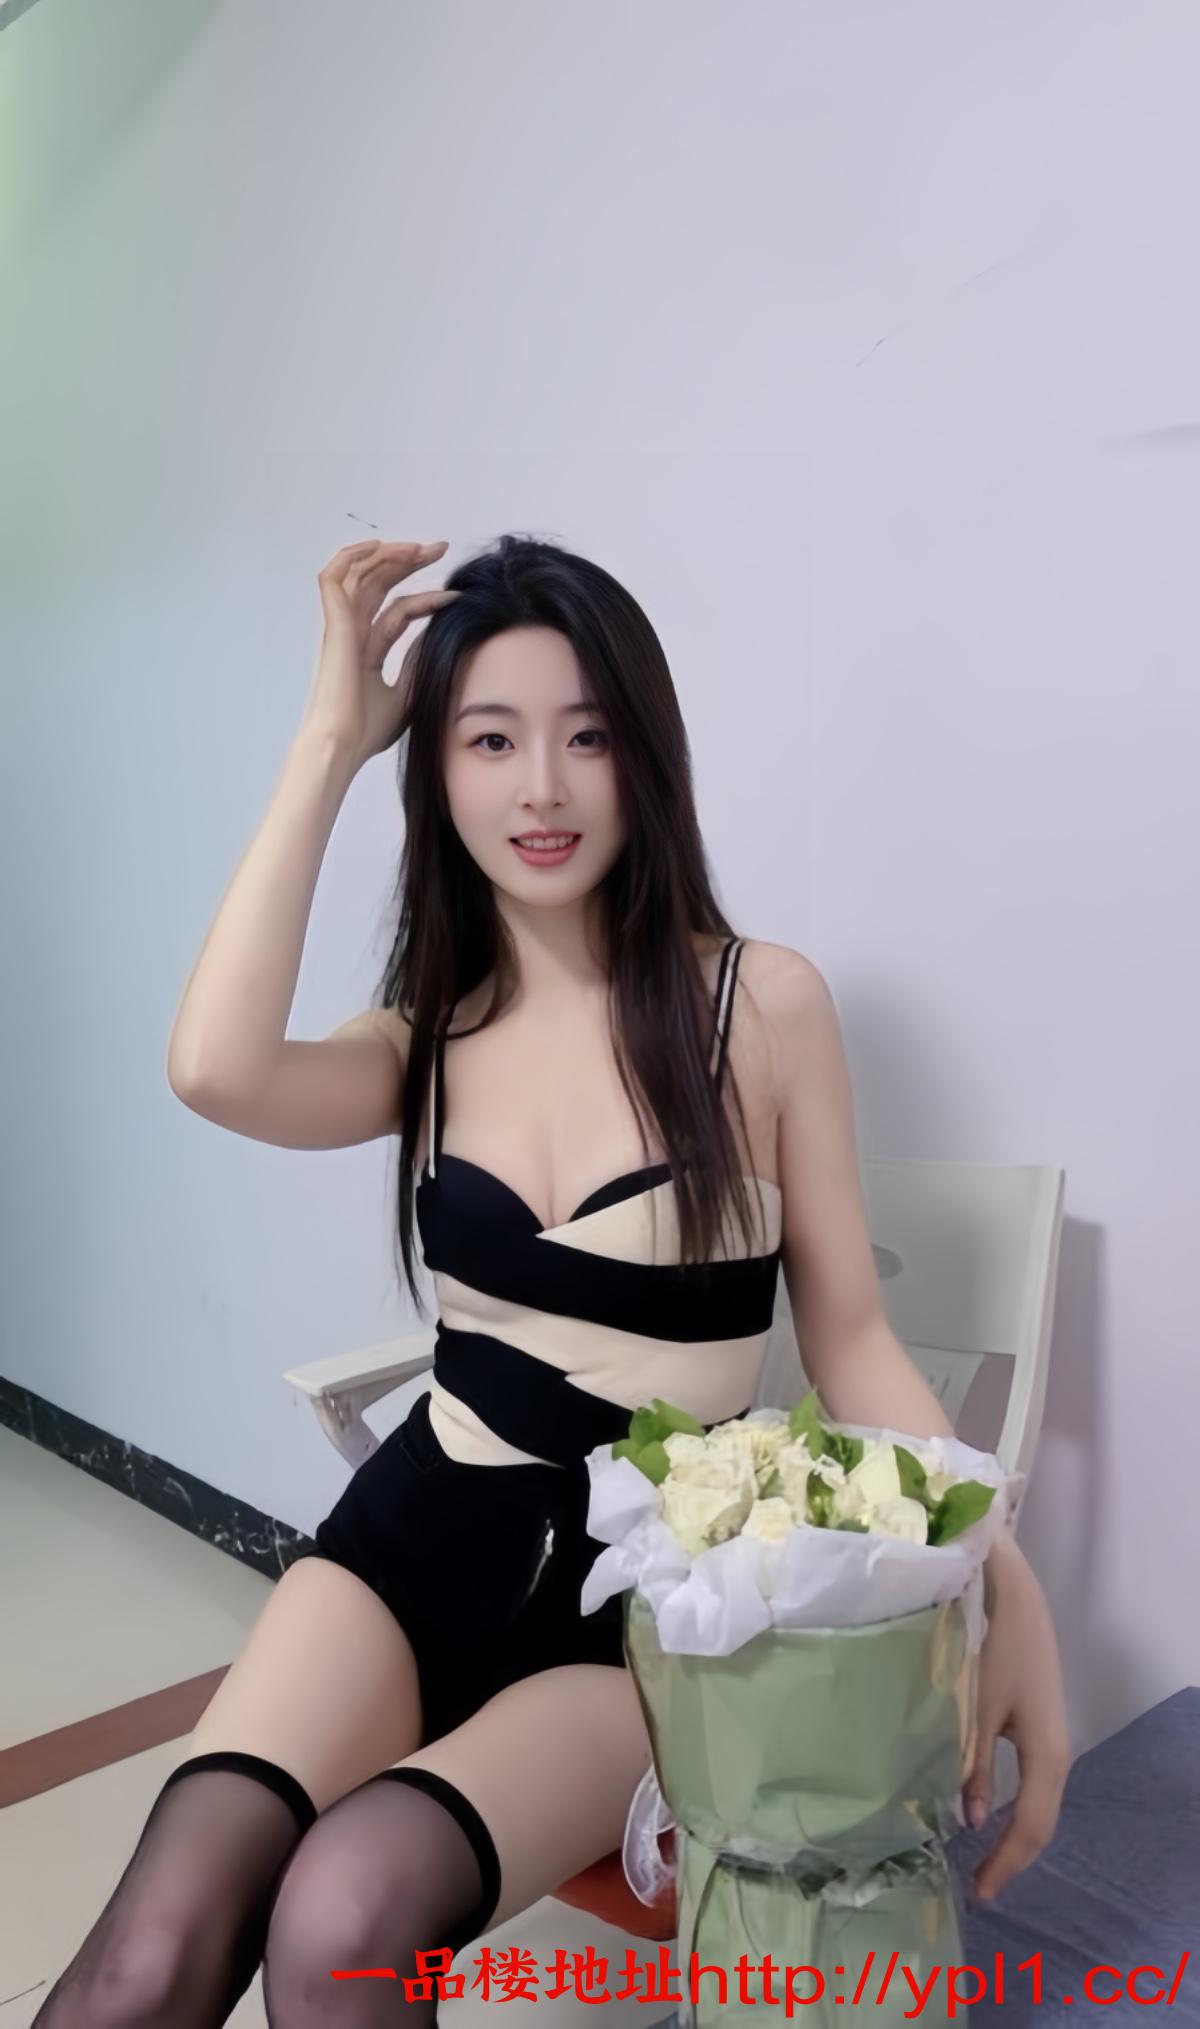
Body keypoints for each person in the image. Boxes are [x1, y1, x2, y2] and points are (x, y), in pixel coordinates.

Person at [36, 535, 1071, 2025]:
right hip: (412, 1538)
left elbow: (849, 1334)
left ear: (645, 755)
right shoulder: (424, 1036)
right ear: (435, 773)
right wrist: (329, 740)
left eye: (586, 736)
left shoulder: (761, 1006)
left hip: (637, 1602)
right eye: (489, 740)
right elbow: (214, 1066)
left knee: (340, 1915)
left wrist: (997, 1570)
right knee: (151, 1948)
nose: (541, 787)